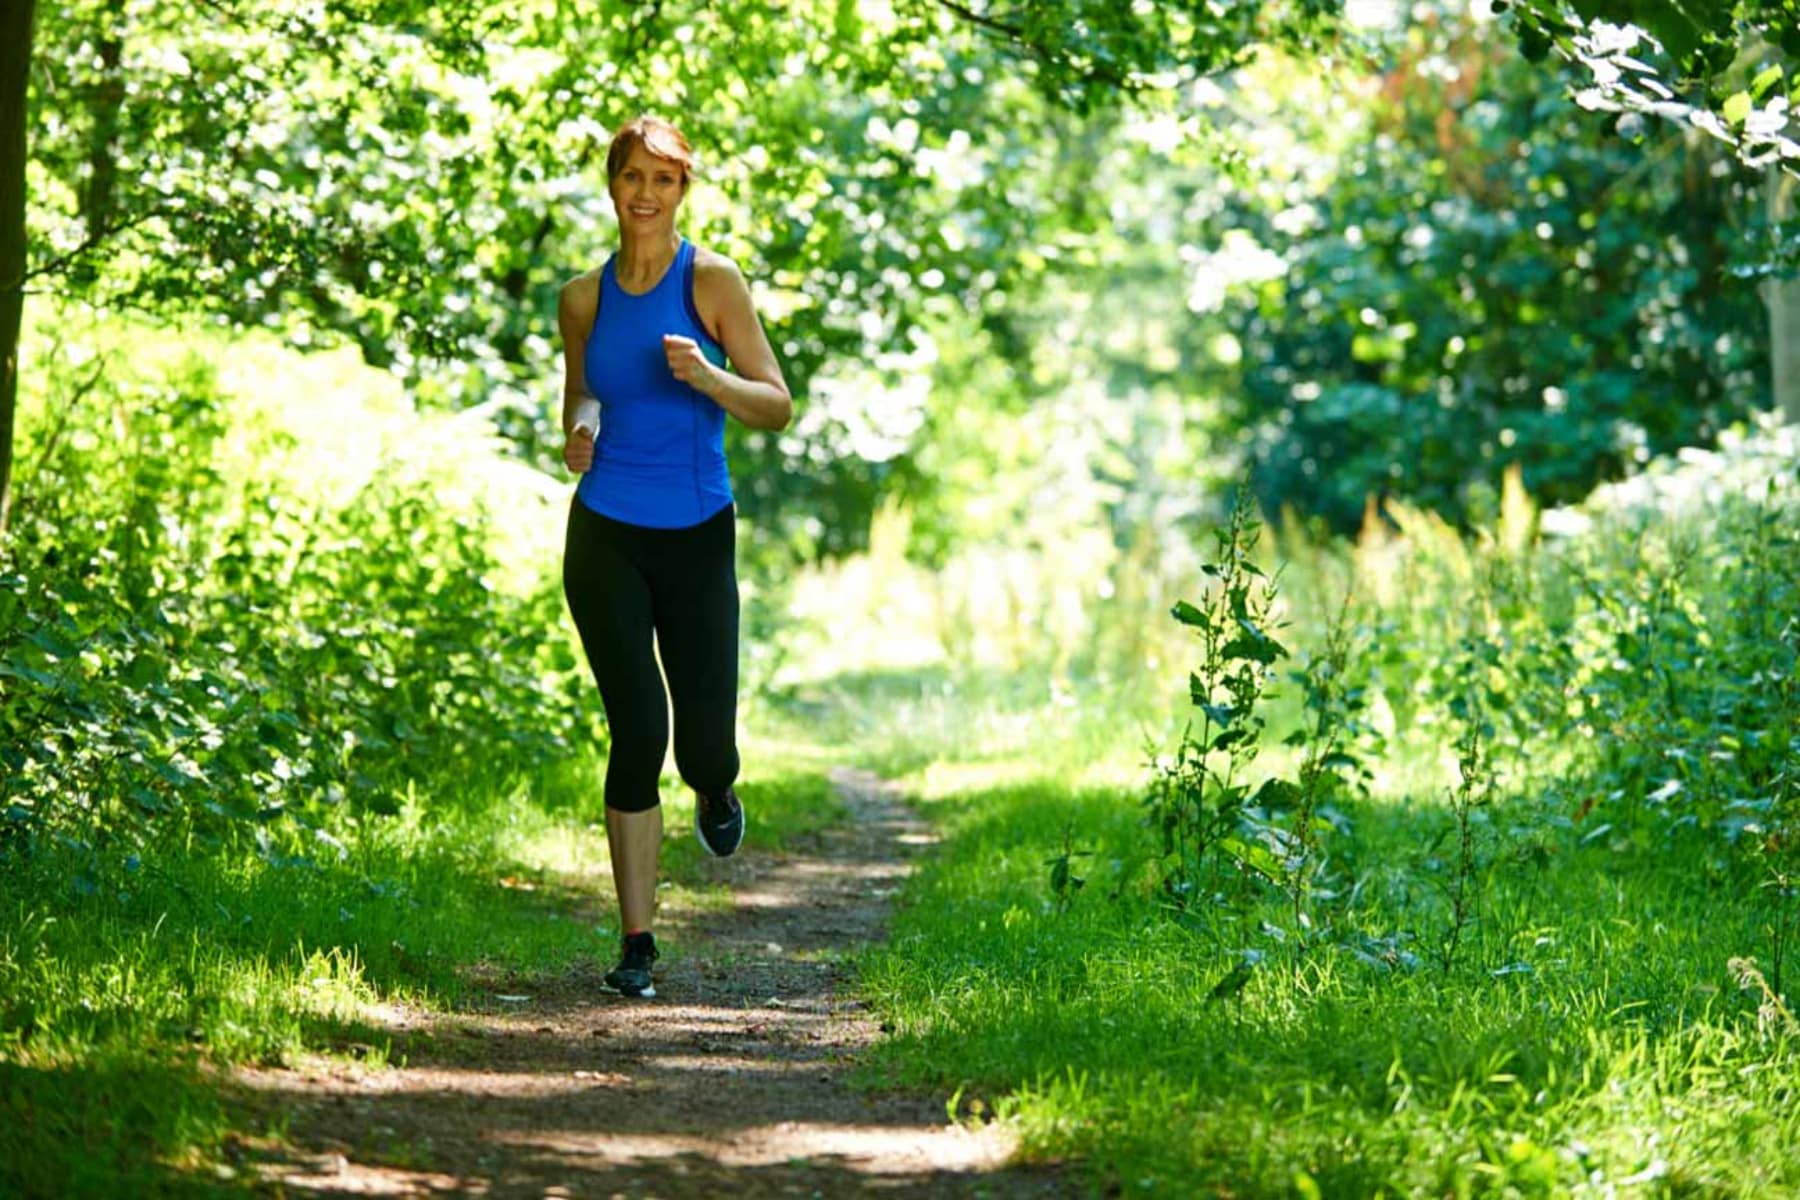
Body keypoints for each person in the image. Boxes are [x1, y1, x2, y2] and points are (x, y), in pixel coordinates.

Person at [558, 115, 793, 999]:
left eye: (663, 181)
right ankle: (636, 947)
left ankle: (718, 789)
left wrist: (709, 378)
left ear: (681, 192)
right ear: (612, 185)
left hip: (698, 532)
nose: (645, 195)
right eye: (632, 178)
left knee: (703, 744)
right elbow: (583, 397)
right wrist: (579, 435)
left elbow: (776, 404)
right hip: (606, 531)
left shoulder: (713, 282)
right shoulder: (583, 298)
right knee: (637, 730)